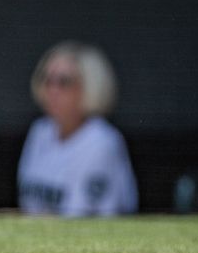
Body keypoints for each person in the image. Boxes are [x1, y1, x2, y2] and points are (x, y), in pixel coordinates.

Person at [17, 41, 139, 217]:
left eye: (64, 82)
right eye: (47, 80)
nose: (52, 89)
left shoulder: (102, 141)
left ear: (89, 86)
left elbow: (86, 220)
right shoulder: (40, 131)